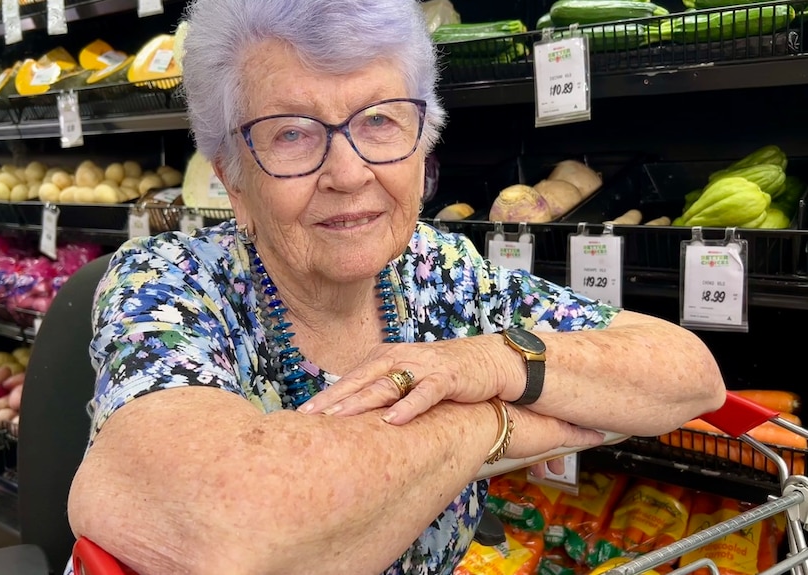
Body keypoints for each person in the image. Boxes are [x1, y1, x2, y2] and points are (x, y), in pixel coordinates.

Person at [65, 0, 726, 573]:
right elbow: (232, 531)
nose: (348, 172)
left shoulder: (441, 272)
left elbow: (690, 373)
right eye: (293, 133)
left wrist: (487, 360)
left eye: (380, 120)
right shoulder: (169, 283)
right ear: (233, 179)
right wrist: (485, 422)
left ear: (422, 145)